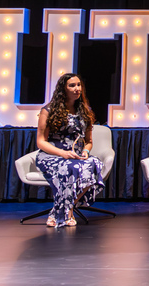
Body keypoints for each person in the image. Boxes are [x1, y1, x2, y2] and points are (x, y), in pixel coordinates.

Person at [35, 73, 105, 228]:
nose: (77, 88)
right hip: (51, 154)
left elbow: (88, 142)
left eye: (79, 85)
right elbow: (40, 142)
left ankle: (60, 211)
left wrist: (86, 152)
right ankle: (68, 213)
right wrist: (63, 153)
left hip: (76, 155)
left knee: (94, 164)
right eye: (72, 85)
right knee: (70, 168)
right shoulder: (48, 110)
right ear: (63, 89)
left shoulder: (85, 111)